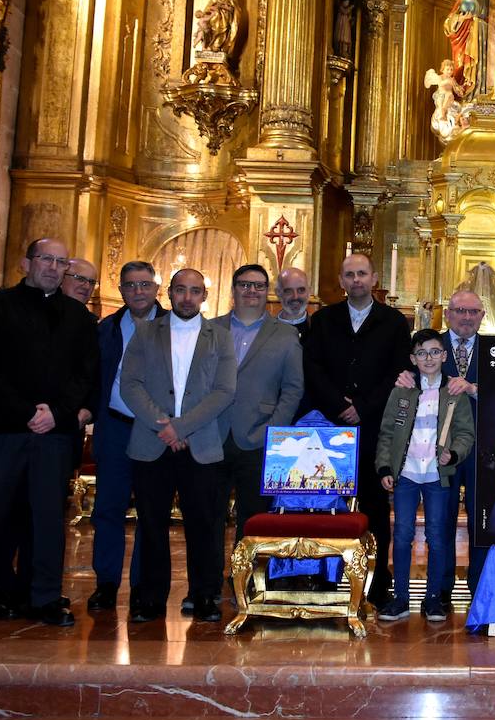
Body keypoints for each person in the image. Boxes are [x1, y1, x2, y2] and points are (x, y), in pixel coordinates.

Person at [0, 238, 98, 635]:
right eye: (46, 259)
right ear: (26, 262)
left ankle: (45, 598)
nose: (53, 267)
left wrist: (57, 413)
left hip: (54, 435)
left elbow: (84, 376)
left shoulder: (79, 317)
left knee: (48, 520)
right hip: (4, 431)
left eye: (60, 261)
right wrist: (26, 413)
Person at [121, 268, 236, 624]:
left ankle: (204, 595)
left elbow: (224, 391)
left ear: (205, 296)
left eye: (195, 291)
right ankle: (152, 598)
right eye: (181, 290)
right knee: (152, 523)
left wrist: (182, 426)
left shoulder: (221, 337)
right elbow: (131, 384)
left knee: (203, 524)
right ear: (169, 293)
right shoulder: (144, 333)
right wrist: (165, 425)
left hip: (200, 444)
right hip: (152, 443)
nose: (188, 297)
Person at [303, 254, 411, 609]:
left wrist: (362, 406)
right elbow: (313, 368)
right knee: (324, 504)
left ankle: (378, 583)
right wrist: (339, 405)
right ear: (341, 280)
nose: (356, 280)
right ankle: (321, 578)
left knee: (375, 508)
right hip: (329, 430)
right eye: (349, 274)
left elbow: (397, 371)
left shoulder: (393, 322)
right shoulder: (322, 320)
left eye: (362, 273)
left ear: (374, 277)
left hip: (372, 426)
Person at [376, 329, 476, 623]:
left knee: (437, 535)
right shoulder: (402, 390)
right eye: (422, 353)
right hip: (406, 474)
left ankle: (433, 598)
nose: (428, 358)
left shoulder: (453, 392)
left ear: (444, 356)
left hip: (436, 476)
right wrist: (385, 467)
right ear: (413, 359)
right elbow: (387, 433)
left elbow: (465, 433)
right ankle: (401, 598)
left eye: (434, 352)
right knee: (403, 534)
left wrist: (453, 454)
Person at [86, 261, 164, 613]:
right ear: (121, 290)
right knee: (108, 508)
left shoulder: (175, 326)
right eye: (131, 285)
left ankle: (141, 586)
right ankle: (106, 583)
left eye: (145, 285)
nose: (138, 292)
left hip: (156, 429)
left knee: (151, 511)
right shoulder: (106, 328)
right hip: (115, 426)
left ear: (156, 288)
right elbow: (92, 377)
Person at [213, 264, 304, 541]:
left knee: (253, 520)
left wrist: (273, 431)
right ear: (233, 289)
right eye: (244, 284)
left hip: (258, 435)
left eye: (259, 285)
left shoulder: (285, 334)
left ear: (268, 292)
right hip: (211, 433)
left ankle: (246, 580)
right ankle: (207, 583)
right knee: (208, 517)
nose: (251, 290)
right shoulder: (211, 329)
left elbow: (292, 388)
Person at [274, 266, 311, 339]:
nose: (295, 297)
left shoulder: (320, 328)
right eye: (288, 291)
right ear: (278, 293)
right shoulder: (266, 330)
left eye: (301, 290)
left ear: (309, 291)